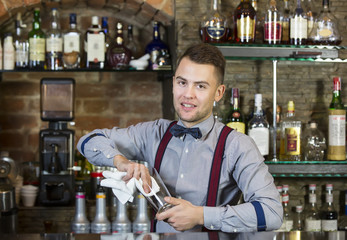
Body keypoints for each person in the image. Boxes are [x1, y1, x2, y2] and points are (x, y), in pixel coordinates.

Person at [77, 43, 283, 233]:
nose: (188, 94)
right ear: (174, 83)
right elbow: (89, 141)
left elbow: (272, 212)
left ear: (218, 93)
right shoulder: (153, 132)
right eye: (182, 82)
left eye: (200, 86)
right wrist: (120, 161)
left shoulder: (238, 145)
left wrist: (201, 215)